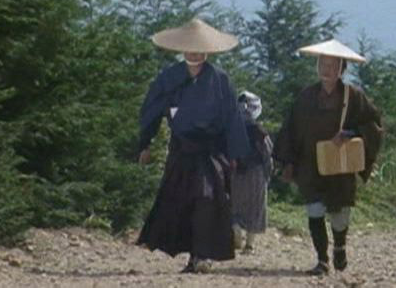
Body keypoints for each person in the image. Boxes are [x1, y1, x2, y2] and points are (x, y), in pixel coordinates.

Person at [136, 18, 250, 273]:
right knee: (182, 201)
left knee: (206, 198)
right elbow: (151, 110)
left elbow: (232, 117)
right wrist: (145, 143)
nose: (194, 53)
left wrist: (235, 154)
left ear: (207, 50)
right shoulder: (169, 78)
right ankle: (191, 254)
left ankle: (202, 254)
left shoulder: (219, 79)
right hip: (181, 149)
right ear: (182, 48)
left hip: (211, 150)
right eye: (190, 48)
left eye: (199, 49)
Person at [273, 39, 383, 275]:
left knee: (340, 214)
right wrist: (289, 162)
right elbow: (291, 129)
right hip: (310, 163)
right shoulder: (305, 97)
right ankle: (322, 260)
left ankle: (340, 246)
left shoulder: (353, 96)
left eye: (332, 65)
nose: (327, 70)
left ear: (341, 69)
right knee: (314, 210)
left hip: (340, 164)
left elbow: (373, 124)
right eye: (323, 64)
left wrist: (351, 133)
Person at [230, 90, 273, 254]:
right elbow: (267, 153)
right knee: (256, 208)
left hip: (236, 173)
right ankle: (249, 245)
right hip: (256, 173)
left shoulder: (232, 129)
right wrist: (268, 173)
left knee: (236, 206)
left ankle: (236, 229)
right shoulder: (259, 130)